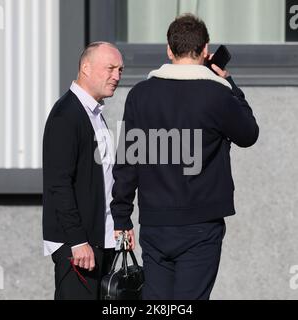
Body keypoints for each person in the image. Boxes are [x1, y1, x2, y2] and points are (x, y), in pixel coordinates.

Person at [111, 14, 259, 300]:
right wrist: (230, 84)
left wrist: (122, 218)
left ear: (169, 50)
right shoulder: (217, 94)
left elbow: (127, 161)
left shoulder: (140, 95)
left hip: (155, 223)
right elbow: (249, 134)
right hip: (201, 224)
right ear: (206, 50)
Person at [42, 42, 124, 300]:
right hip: (78, 246)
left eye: (120, 70)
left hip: (99, 241)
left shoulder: (94, 113)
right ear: (85, 68)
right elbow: (59, 184)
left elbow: (103, 179)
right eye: (110, 68)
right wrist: (78, 241)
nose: (117, 76)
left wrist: (119, 225)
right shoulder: (66, 115)